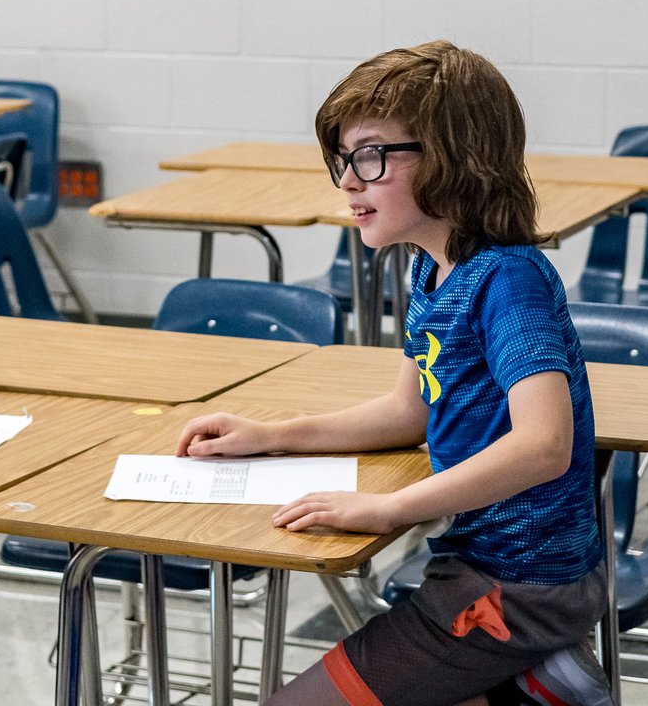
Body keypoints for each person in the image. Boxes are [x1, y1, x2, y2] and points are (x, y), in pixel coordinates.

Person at [177, 42, 611, 706]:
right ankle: (509, 687)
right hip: (477, 567)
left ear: (455, 159)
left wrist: (386, 508)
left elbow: (543, 445)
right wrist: (269, 434)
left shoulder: (508, 280)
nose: (349, 181)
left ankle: (531, 673)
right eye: (344, 160)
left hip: (519, 587)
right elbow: (408, 412)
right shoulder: (432, 270)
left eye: (372, 157)